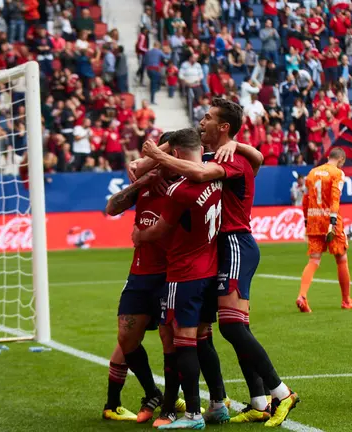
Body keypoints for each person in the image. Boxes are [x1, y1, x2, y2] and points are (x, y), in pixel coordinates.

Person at [142, 98, 298, 427]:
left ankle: (281, 393)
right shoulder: (219, 153)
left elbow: (203, 170)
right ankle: (257, 401)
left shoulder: (233, 157)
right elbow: (155, 165)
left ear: (223, 127)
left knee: (231, 325)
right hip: (215, 250)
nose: (202, 121)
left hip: (235, 242)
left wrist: (157, 155)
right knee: (226, 328)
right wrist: (160, 155)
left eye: (208, 117)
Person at [132, 128, 223, 430]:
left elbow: (159, 231)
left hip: (184, 275)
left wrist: (139, 235)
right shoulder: (216, 176)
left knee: (182, 343)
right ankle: (219, 404)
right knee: (204, 339)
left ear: (176, 155)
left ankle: (194, 415)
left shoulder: (179, 191)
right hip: (210, 271)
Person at [101, 133, 191, 423]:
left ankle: (174, 403)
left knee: (171, 340)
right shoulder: (147, 182)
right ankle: (152, 392)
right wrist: (142, 182)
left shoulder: (185, 183)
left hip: (171, 273)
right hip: (140, 273)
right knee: (126, 337)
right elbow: (111, 208)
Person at [296, 148, 352, 313]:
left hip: (313, 219)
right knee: (341, 259)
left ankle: (302, 296)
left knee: (314, 260)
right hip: (330, 222)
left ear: (328, 157)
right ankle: (346, 300)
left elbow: (305, 199)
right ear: (341, 160)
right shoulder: (337, 173)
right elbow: (335, 198)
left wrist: (306, 221)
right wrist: (332, 222)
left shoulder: (312, 173)